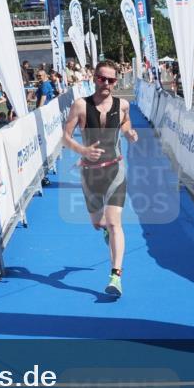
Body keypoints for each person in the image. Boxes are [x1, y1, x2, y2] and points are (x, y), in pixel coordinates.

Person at [62, 60, 139, 298]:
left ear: (116, 81)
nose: (106, 83)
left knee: (115, 222)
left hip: (115, 170)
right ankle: (104, 230)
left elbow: (125, 122)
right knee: (99, 223)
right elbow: (65, 137)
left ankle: (115, 276)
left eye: (111, 80)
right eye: (101, 78)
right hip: (90, 173)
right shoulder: (80, 105)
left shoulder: (123, 105)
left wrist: (129, 132)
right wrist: (82, 150)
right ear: (94, 78)